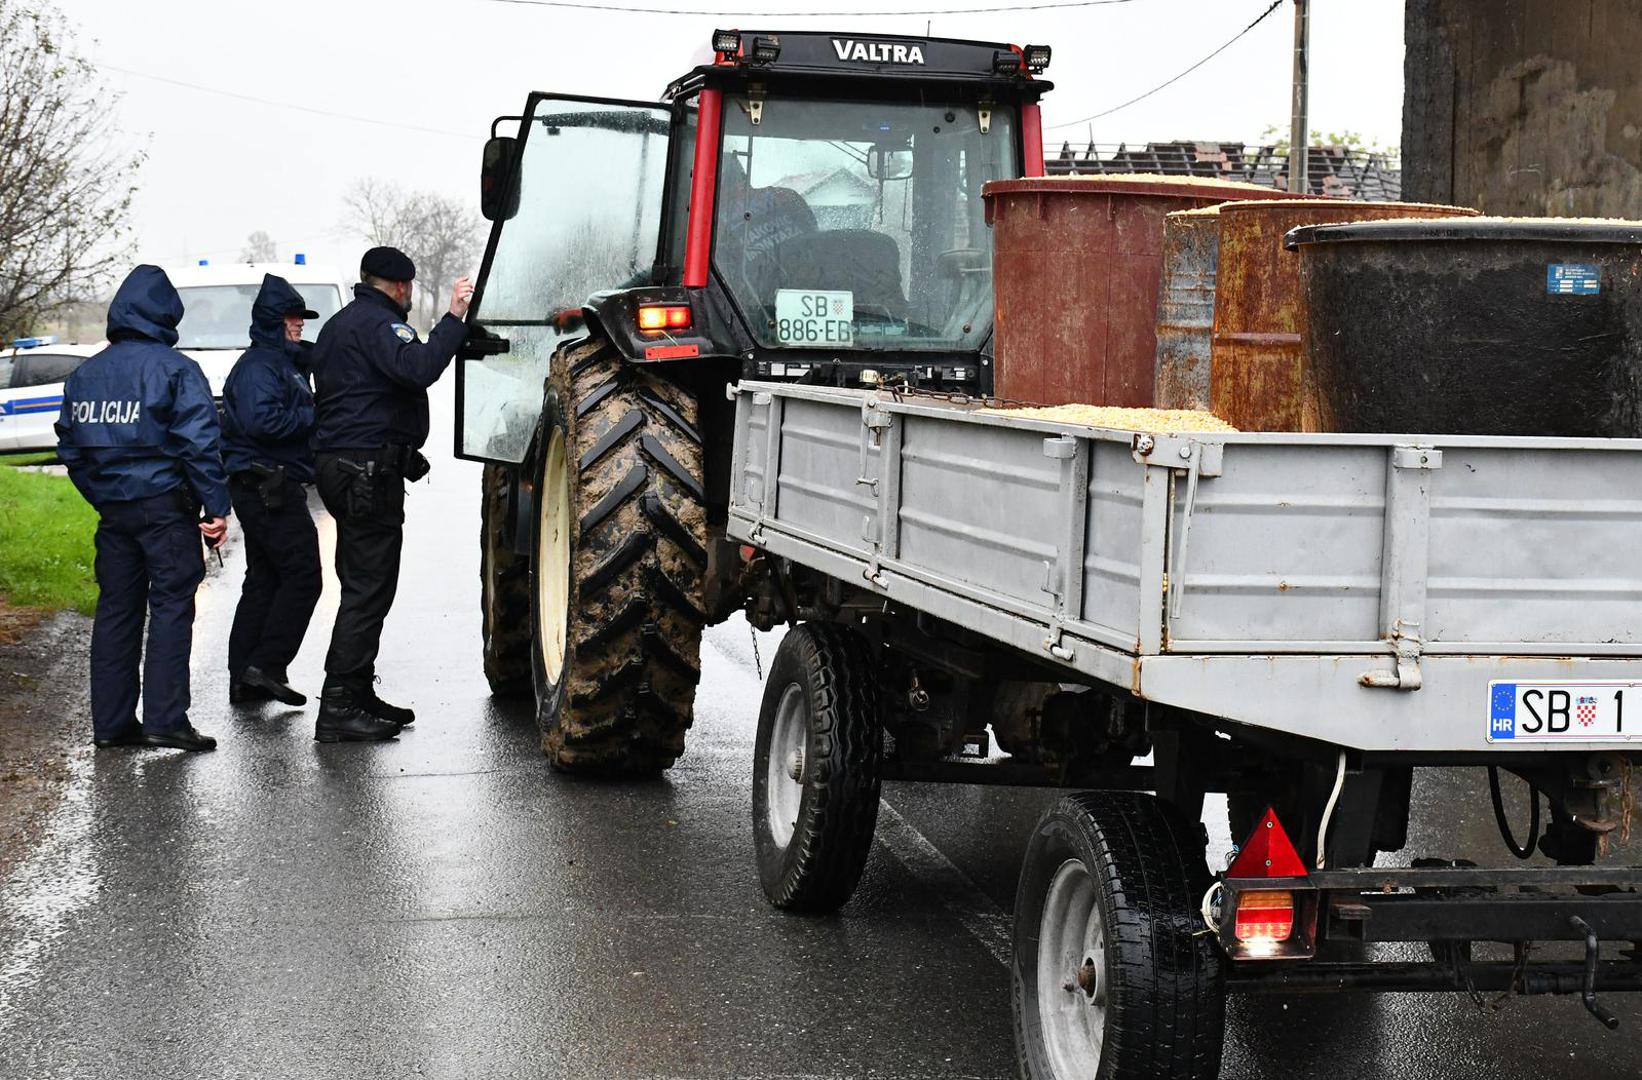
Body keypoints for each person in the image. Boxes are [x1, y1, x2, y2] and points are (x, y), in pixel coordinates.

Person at [55, 265, 230, 753]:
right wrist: (216, 506)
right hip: (164, 510)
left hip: (114, 514)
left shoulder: (86, 373)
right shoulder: (176, 369)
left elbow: (69, 448)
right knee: (173, 608)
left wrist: (103, 494)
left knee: (116, 612)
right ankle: (166, 719)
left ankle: (112, 725)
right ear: (167, 314)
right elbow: (198, 445)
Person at [308, 246, 472, 743]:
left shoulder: (338, 325)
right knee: (367, 589)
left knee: (361, 581)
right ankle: (338, 706)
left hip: (342, 467)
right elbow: (418, 366)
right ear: (401, 287)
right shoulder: (381, 325)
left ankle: (357, 694)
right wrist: (454, 318)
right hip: (365, 472)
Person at [220, 274, 323, 708]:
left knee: (264, 580)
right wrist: (314, 414)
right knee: (303, 579)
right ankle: (268, 665)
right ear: (273, 321)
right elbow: (265, 424)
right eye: (292, 317)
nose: (299, 323)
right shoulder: (261, 366)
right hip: (268, 485)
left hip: (262, 484)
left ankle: (245, 679)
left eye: (301, 316)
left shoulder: (279, 362)